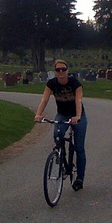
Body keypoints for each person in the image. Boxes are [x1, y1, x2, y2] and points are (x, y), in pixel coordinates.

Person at [34, 59, 87, 191]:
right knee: (57, 135)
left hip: (77, 115)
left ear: (67, 70)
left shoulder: (75, 83)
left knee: (79, 147)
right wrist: (38, 114)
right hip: (62, 114)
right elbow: (44, 99)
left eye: (63, 69)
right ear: (55, 72)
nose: (61, 72)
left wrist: (78, 116)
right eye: (58, 70)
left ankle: (79, 178)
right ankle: (61, 158)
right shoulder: (52, 83)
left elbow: (78, 100)